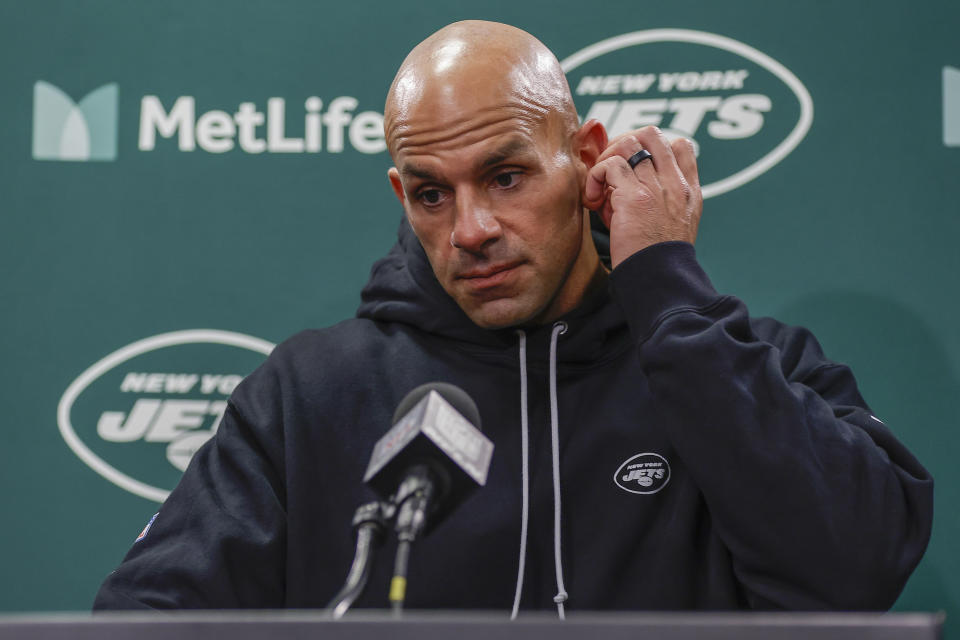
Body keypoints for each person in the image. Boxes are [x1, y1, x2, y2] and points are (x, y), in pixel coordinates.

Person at [93, 20, 933, 615]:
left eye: (505, 176)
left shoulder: (739, 363)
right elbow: (144, 615)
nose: (470, 230)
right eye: (432, 193)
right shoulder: (308, 394)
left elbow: (854, 576)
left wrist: (666, 287)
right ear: (401, 196)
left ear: (586, 157)